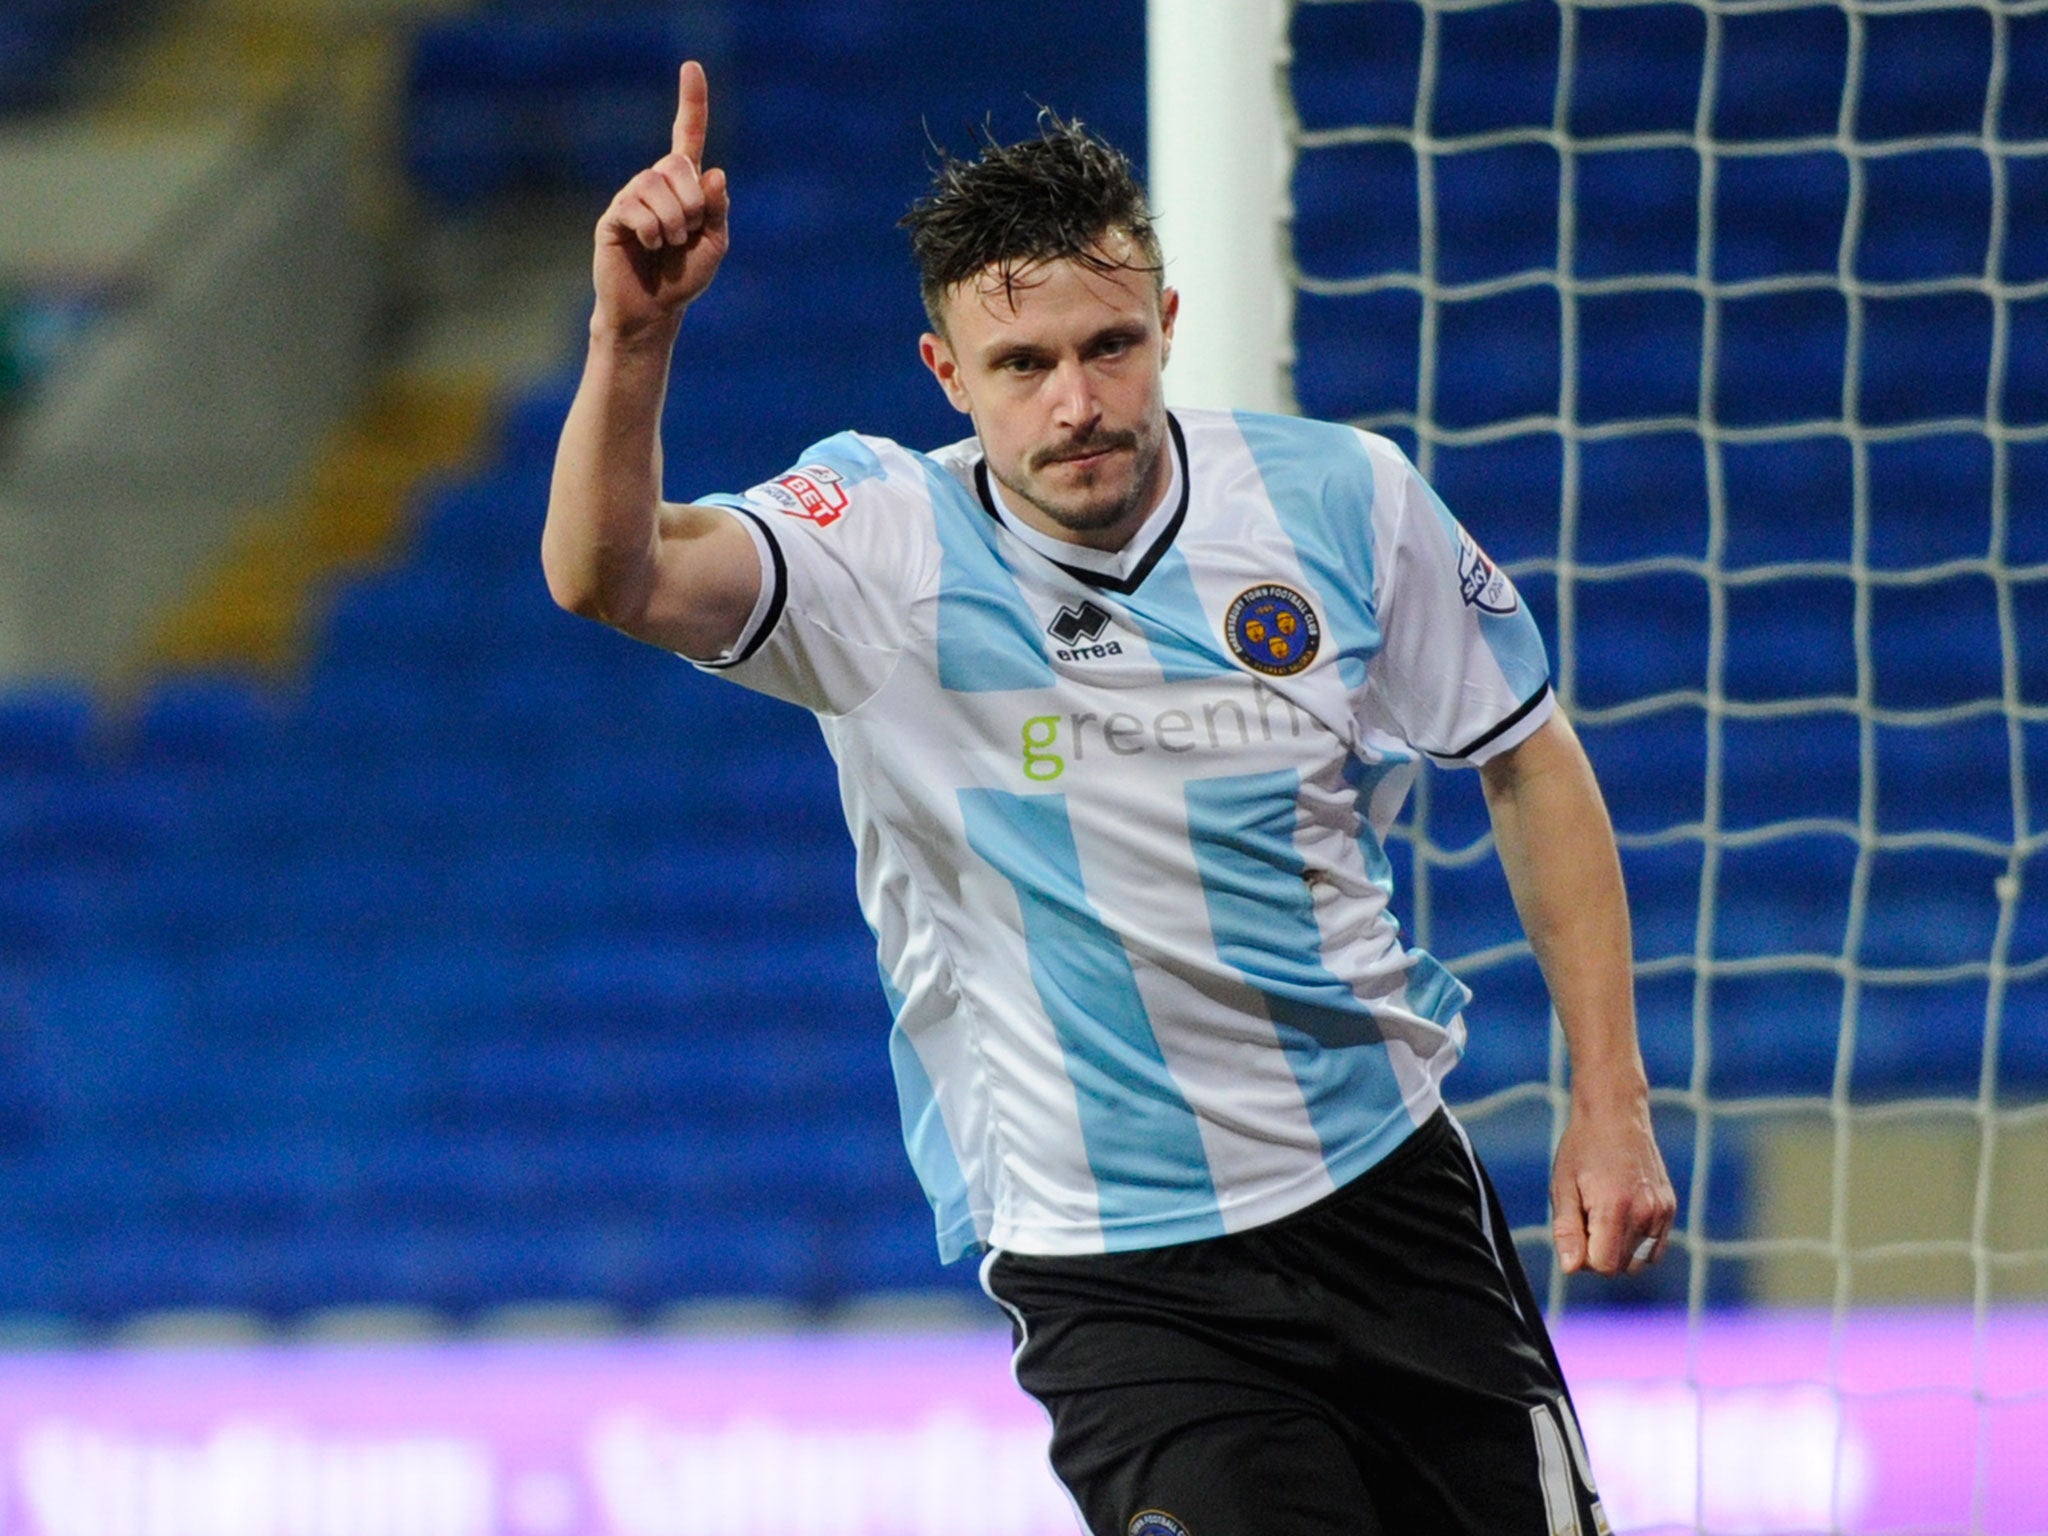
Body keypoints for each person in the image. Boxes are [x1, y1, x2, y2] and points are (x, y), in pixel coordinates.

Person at [542, 60, 1676, 1536]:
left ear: (1168, 330)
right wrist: (634, 340)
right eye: (1023, 365)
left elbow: (1527, 757)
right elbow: (606, 577)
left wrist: (1610, 1096)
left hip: (1389, 1194)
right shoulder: (881, 543)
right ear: (947, 373)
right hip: (1122, 1274)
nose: (1078, 402)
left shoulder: (1342, 498)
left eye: (1111, 346)